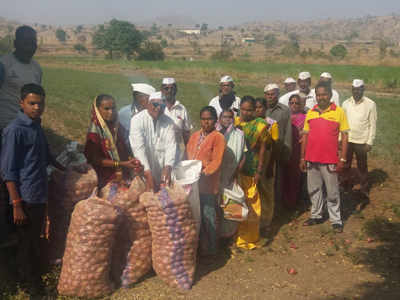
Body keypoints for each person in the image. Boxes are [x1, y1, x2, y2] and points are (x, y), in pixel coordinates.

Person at [0, 84, 65, 285]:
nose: (37, 107)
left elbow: (46, 156)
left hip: (38, 193)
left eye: (40, 103)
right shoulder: (15, 131)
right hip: (25, 197)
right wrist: (17, 205)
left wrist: (67, 168)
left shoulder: (36, 126)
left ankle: (30, 276)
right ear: (22, 103)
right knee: (26, 243)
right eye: (32, 103)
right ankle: (32, 287)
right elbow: (8, 172)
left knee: (34, 238)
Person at [0, 25, 42, 247]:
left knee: (27, 175)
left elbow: (38, 99)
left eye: (33, 43)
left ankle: (23, 226)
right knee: (7, 178)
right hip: (5, 129)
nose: (30, 47)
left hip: (29, 130)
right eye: (26, 42)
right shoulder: (4, 64)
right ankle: (6, 230)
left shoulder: (36, 69)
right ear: (15, 43)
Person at [300, 82, 349, 233]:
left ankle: (336, 220)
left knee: (332, 191)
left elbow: (345, 136)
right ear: (316, 96)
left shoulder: (339, 112)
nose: (321, 97)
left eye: (324, 94)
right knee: (313, 189)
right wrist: (302, 158)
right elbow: (305, 136)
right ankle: (316, 215)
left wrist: (343, 159)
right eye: (319, 94)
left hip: (330, 159)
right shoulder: (311, 112)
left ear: (330, 95)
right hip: (311, 158)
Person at [186, 106, 226, 258]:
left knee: (208, 215)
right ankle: (200, 247)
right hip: (192, 183)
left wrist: (204, 172)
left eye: (209, 119)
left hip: (207, 184)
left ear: (215, 120)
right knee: (196, 216)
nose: (206, 122)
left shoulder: (218, 137)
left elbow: (217, 161)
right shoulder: (195, 135)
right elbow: (189, 153)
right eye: (203, 119)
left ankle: (212, 250)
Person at [84, 94, 143, 189]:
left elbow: (123, 147)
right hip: (104, 175)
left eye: (113, 108)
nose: (111, 112)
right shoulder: (94, 132)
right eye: (106, 109)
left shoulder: (115, 126)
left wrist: (132, 160)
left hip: (122, 170)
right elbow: (95, 160)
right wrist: (121, 164)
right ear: (98, 110)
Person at [234, 96, 269, 249]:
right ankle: (234, 235)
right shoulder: (234, 123)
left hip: (251, 168)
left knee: (252, 203)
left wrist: (259, 170)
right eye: (243, 109)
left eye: (249, 110)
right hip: (235, 170)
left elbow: (263, 148)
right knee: (235, 202)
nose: (246, 113)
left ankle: (250, 237)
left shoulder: (260, 125)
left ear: (255, 110)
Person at [130, 92, 177, 192]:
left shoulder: (169, 122)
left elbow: (171, 147)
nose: (158, 108)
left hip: (163, 170)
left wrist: (168, 167)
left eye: (162, 106)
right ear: (148, 104)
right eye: (155, 105)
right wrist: (148, 174)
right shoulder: (137, 120)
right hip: (143, 170)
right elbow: (139, 149)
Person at [342, 79, 377, 194]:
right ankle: (345, 184)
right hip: (348, 139)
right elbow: (342, 123)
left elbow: (372, 124)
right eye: (354, 89)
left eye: (359, 89)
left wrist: (369, 142)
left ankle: (364, 187)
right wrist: (339, 139)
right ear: (352, 90)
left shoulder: (370, 104)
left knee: (362, 166)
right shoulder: (346, 103)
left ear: (363, 89)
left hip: (362, 141)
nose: (356, 92)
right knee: (345, 164)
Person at [264, 84, 292, 207]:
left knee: (278, 179)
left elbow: (287, 132)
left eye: (273, 94)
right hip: (263, 150)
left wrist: (287, 151)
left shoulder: (284, 110)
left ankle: (277, 206)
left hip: (279, 149)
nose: (270, 97)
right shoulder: (260, 108)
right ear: (265, 95)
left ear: (278, 95)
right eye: (268, 94)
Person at [254, 97, 278, 227]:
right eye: (255, 107)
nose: (258, 110)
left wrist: (270, 166)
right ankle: (254, 218)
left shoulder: (271, 123)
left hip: (268, 158)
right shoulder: (251, 123)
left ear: (265, 108)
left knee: (266, 189)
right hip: (253, 158)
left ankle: (266, 220)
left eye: (260, 107)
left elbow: (274, 146)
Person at [282, 94, 307, 209]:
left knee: (295, 176)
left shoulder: (304, 118)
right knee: (284, 175)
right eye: (291, 103)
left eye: (297, 103)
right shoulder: (285, 116)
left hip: (297, 149)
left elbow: (306, 135)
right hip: (285, 148)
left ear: (301, 105)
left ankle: (293, 202)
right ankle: (284, 201)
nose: (294, 105)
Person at [161, 77, 192, 160]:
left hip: (176, 152)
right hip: (159, 151)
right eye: (166, 88)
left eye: (172, 88)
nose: (169, 91)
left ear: (176, 90)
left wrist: (187, 153)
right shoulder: (158, 107)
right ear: (162, 90)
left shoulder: (182, 109)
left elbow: (186, 133)